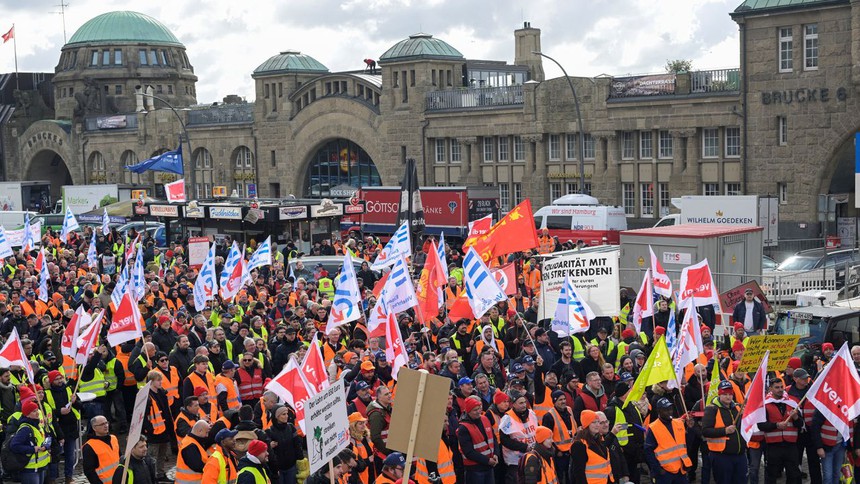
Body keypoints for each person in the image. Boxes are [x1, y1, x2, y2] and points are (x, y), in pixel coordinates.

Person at [701, 380, 747, 484]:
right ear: (719, 394)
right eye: (725, 394)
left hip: (740, 455)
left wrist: (744, 416)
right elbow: (705, 431)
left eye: (730, 394)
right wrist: (724, 431)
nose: (728, 397)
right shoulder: (711, 409)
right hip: (721, 456)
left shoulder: (738, 407)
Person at [757, 378, 802, 484]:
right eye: (777, 387)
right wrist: (776, 425)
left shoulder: (792, 403)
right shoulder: (765, 405)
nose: (780, 389)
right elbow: (761, 425)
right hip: (773, 446)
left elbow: (801, 425)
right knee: (771, 475)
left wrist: (796, 418)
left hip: (791, 445)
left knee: (794, 474)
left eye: (782, 387)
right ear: (770, 389)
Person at [644, 397, 692, 484]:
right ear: (659, 411)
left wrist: (690, 428)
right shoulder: (653, 428)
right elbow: (648, 452)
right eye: (666, 410)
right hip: (665, 472)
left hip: (680, 470)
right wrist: (658, 469)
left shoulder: (679, 423)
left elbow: (686, 443)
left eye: (670, 409)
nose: (669, 412)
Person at [457, 396, 498, 484]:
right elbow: (468, 452)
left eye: (479, 409)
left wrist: (495, 454)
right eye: (475, 410)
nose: (478, 412)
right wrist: (487, 461)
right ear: (468, 411)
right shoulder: (463, 428)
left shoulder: (485, 419)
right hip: (475, 469)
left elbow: (493, 438)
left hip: (488, 466)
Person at [499, 392, 538, 484]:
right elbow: (504, 440)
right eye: (520, 403)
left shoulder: (531, 413)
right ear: (513, 404)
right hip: (515, 460)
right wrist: (524, 447)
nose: (524, 405)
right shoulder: (507, 419)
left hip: (532, 455)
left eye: (524, 402)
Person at [541, 390, 575, 484]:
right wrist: (556, 451)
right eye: (560, 400)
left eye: (564, 399)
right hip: (560, 455)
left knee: (571, 477)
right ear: (554, 401)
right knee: (561, 477)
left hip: (572, 452)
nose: (563, 401)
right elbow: (546, 436)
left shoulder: (569, 410)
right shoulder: (549, 416)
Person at [569, 410, 612, 484]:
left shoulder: (599, 439)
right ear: (587, 425)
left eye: (598, 422)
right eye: (594, 422)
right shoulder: (579, 445)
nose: (597, 425)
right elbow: (578, 473)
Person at [266, 405, 304, 484]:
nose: (287, 416)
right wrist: (269, 446)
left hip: (291, 467)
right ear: (277, 416)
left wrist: (301, 461)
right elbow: (267, 451)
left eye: (287, 413)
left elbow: (297, 445)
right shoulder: (269, 431)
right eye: (284, 414)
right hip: (278, 469)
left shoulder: (291, 427)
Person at [81, 414, 120, 484]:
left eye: (106, 423)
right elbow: (89, 471)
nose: (106, 426)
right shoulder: (89, 446)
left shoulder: (114, 438)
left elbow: (120, 458)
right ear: (94, 428)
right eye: (102, 424)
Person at [176, 420, 212, 484]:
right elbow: (198, 466)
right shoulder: (190, 446)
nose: (207, 435)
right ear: (200, 431)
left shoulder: (191, 441)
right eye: (206, 432)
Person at [347, 412, 374, 484]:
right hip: (362, 476)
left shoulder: (366, 436)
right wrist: (369, 460)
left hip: (371, 471)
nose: (363, 425)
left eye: (363, 423)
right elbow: (355, 463)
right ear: (353, 426)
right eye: (360, 423)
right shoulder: (351, 442)